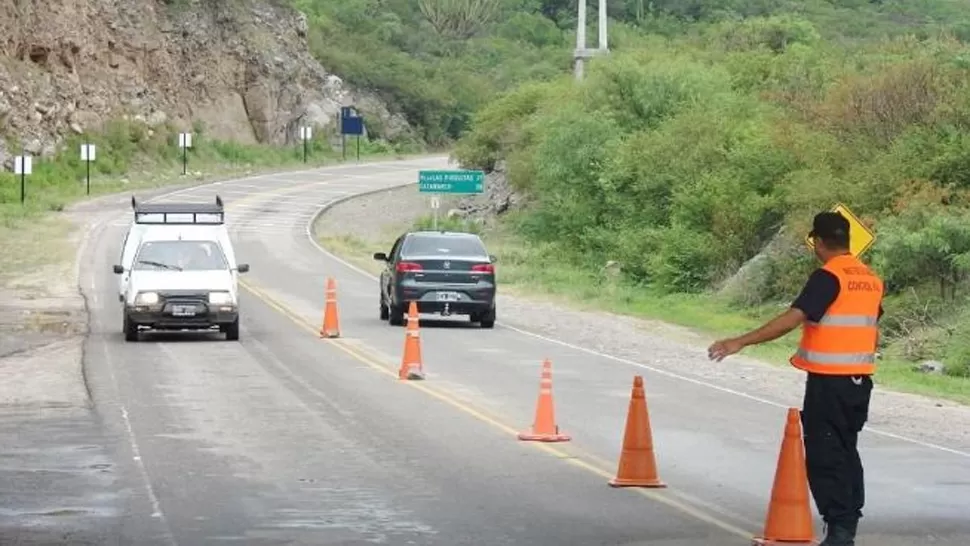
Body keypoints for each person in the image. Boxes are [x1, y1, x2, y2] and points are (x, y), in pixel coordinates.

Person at [707, 211, 884, 546]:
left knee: (825, 455)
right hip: (859, 382)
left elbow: (791, 320)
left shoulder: (828, 277)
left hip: (830, 381)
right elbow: (871, 329)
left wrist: (739, 341)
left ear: (817, 241)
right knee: (846, 451)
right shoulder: (870, 278)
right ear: (847, 240)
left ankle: (840, 532)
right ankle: (847, 525)